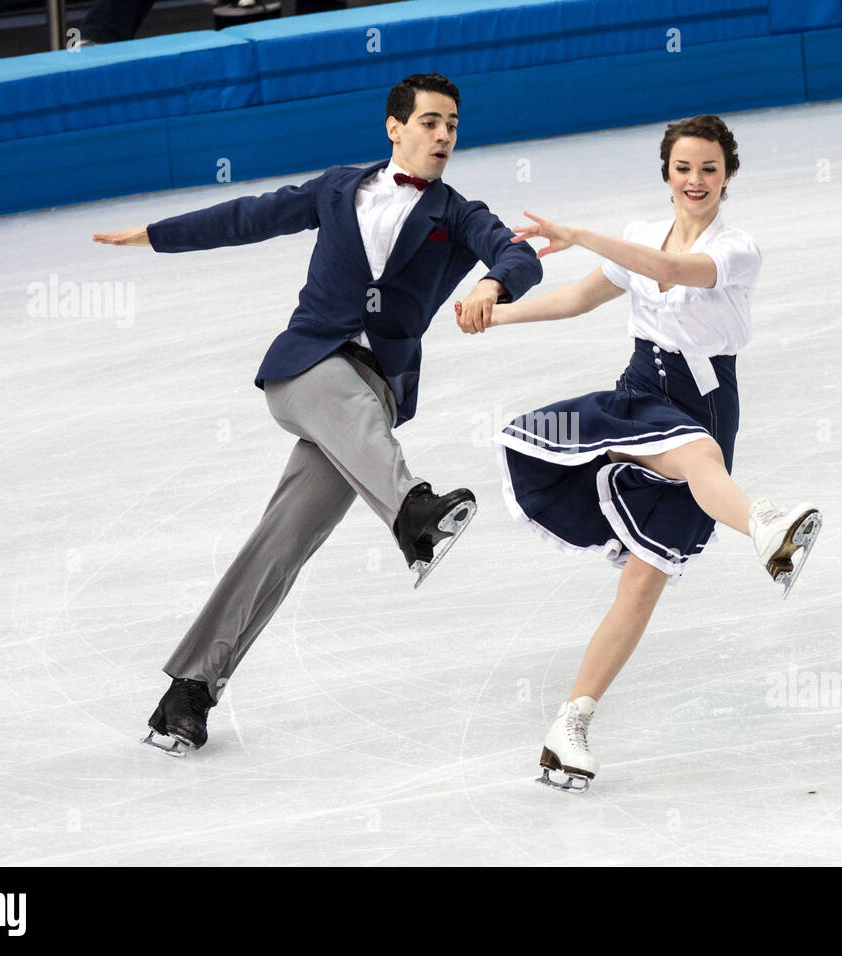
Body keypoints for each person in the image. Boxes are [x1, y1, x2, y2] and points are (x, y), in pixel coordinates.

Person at [93, 73, 542, 756]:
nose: (444, 135)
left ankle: (189, 691)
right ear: (395, 127)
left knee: (283, 542)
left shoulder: (456, 212)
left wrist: (491, 279)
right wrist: (155, 236)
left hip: (372, 398)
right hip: (305, 367)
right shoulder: (337, 189)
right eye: (429, 122)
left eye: (452, 123)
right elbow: (247, 215)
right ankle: (414, 511)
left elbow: (518, 253)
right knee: (347, 418)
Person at [456, 114, 822, 792]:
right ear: (667, 175)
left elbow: (670, 268)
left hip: (705, 401)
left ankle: (569, 725)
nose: (696, 180)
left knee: (644, 580)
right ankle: (766, 527)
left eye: (709, 168)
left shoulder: (738, 249)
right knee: (692, 460)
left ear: (727, 177)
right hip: (638, 395)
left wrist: (580, 234)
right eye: (684, 168)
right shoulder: (637, 237)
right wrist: (495, 313)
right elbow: (574, 298)